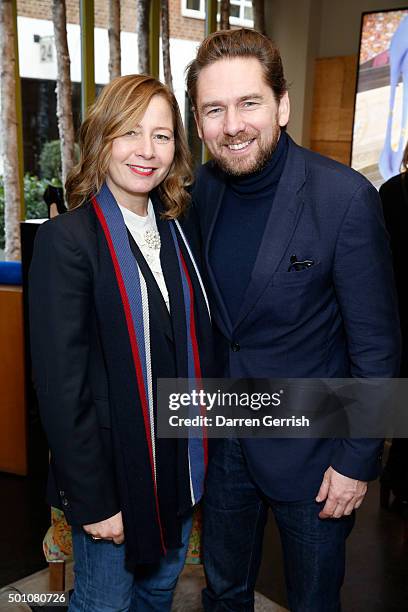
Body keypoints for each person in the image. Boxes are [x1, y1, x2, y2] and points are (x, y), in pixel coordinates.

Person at [186, 29, 400, 611]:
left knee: (311, 601)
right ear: (200, 121)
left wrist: (356, 460)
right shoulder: (197, 193)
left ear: (281, 104)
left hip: (316, 454)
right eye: (215, 109)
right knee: (224, 592)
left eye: (249, 102)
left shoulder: (345, 199)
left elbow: (377, 346)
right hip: (224, 438)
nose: (233, 125)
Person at [29, 74, 213, 612]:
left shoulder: (180, 231)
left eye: (162, 135)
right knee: (104, 603)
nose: (147, 150)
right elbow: (61, 389)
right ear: (103, 137)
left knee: (158, 594)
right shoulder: (69, 241)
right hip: (112, 481)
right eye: (131, 131)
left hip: (177, 472)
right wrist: (93, 500)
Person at [379, 141, 408, 519]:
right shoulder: (389, 192)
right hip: (395, 308)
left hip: (395, 304)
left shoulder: (390, 191)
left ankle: (395, 476)